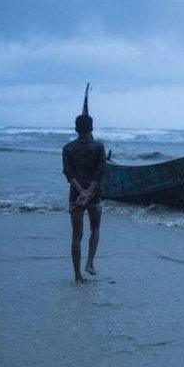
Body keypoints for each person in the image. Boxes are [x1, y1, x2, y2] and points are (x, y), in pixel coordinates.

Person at [63, 84, 106, 283]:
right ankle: (90, 262)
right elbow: (100, 173)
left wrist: (81, 192)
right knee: (95, 229)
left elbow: (69, 174)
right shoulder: (98, 147)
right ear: (91, 128)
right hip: (94, 194)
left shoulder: (68, 148)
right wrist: (89, 193)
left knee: (76, 236)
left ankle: (77, 275)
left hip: (76, 194)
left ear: (75, 128)